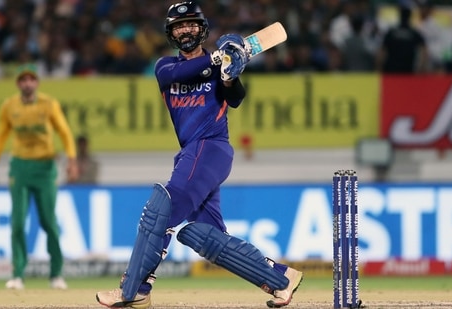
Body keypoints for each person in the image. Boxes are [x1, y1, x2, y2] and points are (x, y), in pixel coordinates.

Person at [95, 2, 303, 308]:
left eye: (191, 24)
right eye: (179, 26)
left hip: (211, 147)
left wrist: (230, 75)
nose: (185, 30)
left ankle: (135, 289)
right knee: (205, 235)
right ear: (171, 33)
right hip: (192, 154)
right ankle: (280, 279)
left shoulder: (221, 68)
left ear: (202, 29)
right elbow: (190, 71)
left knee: (160, 211)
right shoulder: (165, 67)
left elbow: (236, 98)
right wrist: (220, 59)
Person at [0, 63, 79, 290]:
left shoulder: (49, 104)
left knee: (48, 222)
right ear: (18, 83)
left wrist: (72, 160)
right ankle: (17, 274)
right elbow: (0, 135)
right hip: (20, 167)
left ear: (36, 83)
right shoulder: (9, 106)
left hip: (45, 168)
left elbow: (64, 131)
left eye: (31, 79)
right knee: (17, 223)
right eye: (23, 80)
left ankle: (56, 274)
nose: (27, 83)